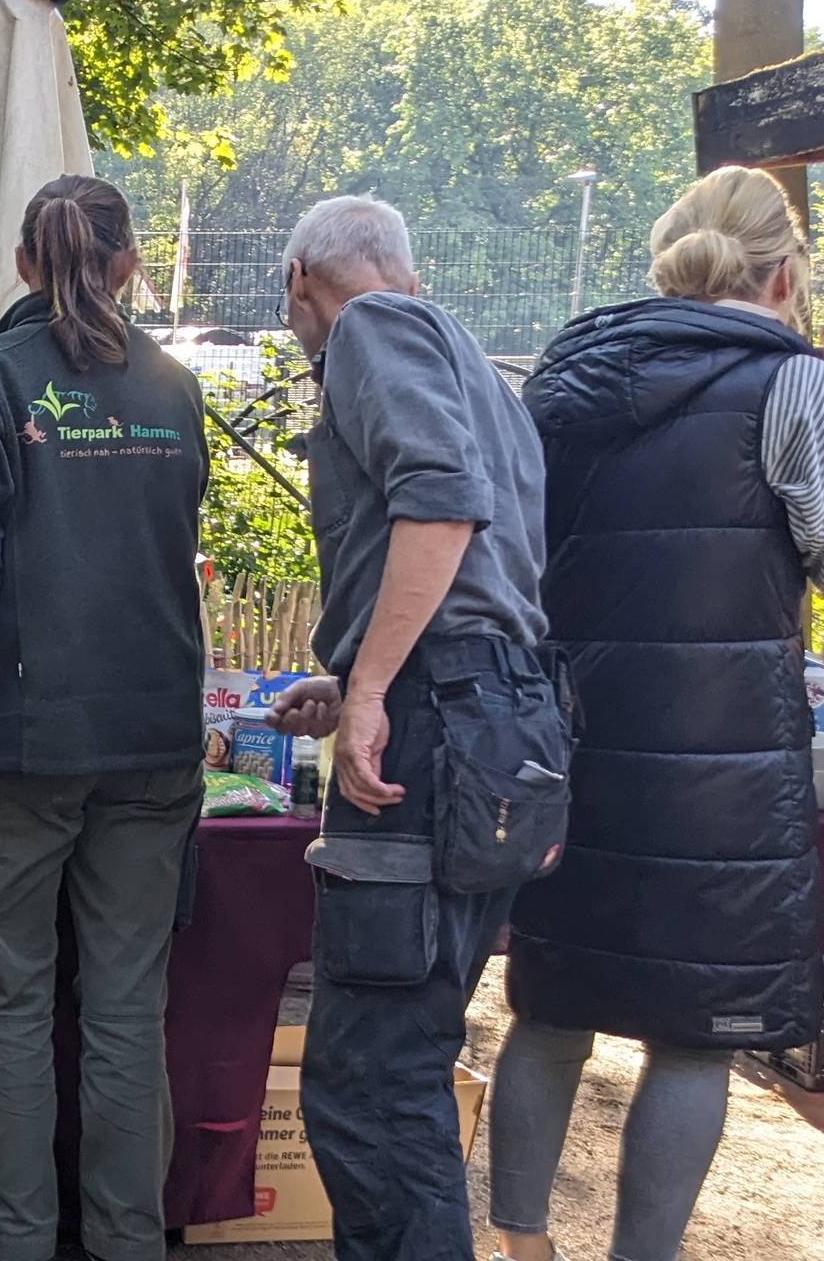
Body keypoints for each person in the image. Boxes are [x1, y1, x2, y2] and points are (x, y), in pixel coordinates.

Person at [493, 165, 824, 1261]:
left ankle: (521, 1248)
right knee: (693, 1037)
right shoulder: (799, 386)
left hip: (566, 744)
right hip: (721, 773)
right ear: (786, 277)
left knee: (549, 1005)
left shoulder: (560, 378)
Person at [0, 175, 209, 1261]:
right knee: (126, 1006)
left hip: (20, 738)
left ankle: (14, 1239)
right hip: (154, 735)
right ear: (128, 264)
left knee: (12, 999)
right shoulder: (172, 385)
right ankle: (125, 1240)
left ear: (24, 262)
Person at [260, 195, 564, 1261]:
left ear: (299, 278)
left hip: (437, 729)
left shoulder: (370, 327)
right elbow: (488, 574)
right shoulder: (475, 366)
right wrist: (355, 680)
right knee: (406, 1056)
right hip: (496, 719)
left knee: (371, 1082)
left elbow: (440, 505)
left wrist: (376, 688)